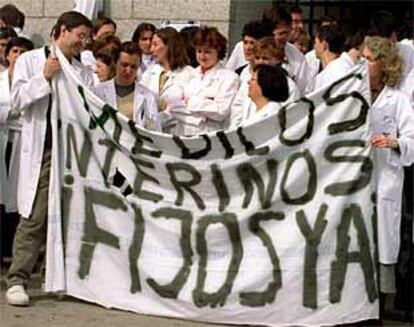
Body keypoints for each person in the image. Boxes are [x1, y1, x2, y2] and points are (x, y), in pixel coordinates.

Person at [5, 11, 94, 306]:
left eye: (86, 38)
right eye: (79, 36)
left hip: (72, 153)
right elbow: (17, 100)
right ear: (62, 31)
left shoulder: (83, 70)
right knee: (35, 215)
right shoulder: (31, 60)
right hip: (42, 150)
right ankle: (18, 278)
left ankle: (58, 278)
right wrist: (44, 76)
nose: (83, 42)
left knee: (69, 217)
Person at [362, 36, 414, 297]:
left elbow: (412, 139)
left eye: (369, 59)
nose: (364, 63)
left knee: (382, 243)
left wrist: (393, 142)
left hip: (385, 180)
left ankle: (380, 305)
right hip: (356, 181)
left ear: (383, 64)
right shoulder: (352, 95)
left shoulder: (398, 100)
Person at [170, 26, 239, 136]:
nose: (202, 56)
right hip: (181, 133)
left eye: (207, 52)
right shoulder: (188, 73)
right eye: (199, 51)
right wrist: (202, 113)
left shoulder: (229, 78)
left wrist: (190, 101)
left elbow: (221, 111)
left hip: (209, 136)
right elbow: (173, 106)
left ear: (218, 52)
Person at [229, 36, 299, 129]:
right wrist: (236, 130)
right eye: (257, 58)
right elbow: (237, 108)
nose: (260, 62)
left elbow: (289, 115)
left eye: (265, 58)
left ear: (277, 59)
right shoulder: (249, 81)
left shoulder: (288, 85)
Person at [0, 37, 34, 213]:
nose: (19, 56)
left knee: (17, 196)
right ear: (7, 56)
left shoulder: (34, 84)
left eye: (24, 52)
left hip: (23, 142)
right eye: (15, 51)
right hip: (2, 139)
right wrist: (12, 113)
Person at [95, 41, 160, 130]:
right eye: (124, 65)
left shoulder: (147, 96)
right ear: (115, 63)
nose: (128, 71)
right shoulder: (99, 91)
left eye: (133, 67)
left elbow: (154, 130)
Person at [140, 27, 193, 133]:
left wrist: (157, 117)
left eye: (155, 45)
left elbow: (184, 107)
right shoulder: (150, 72)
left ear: (169, 46)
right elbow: (141, 99)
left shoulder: (189, 74)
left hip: (177, 133)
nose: (151, 50)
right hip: (151, 132)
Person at [262, 5, 309, 95]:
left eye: (288, 32)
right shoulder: (248, 50)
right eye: (282, 33)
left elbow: (305, 91)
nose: (286, 37)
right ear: (268, 32)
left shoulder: (298, 58)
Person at [312, 25, 347, 91]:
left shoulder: (325, 76)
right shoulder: (349, 66)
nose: (314, 47)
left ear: (324, 45)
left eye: (316, 42)